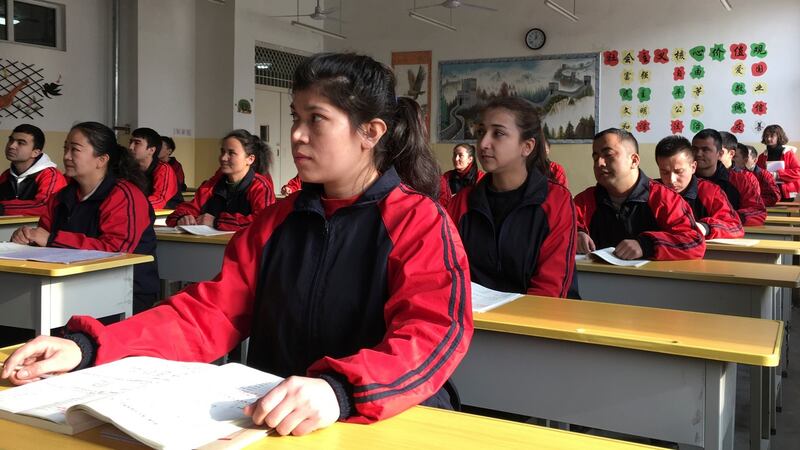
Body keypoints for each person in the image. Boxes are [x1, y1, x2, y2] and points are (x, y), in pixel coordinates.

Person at [2, 53, 472, 437]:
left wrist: (340, 391)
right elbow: (209, 314)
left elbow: (432, 336)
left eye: (317, 120)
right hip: (278, 423)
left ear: (370, 133)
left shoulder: (418, 221)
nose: (297, 135)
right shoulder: (277, 223)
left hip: (384, 419)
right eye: (295, 117)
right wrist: (88, 346)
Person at [10, 122, 159, 313]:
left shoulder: (124, 195)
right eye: (65, 148)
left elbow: (116, 250)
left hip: (122, 294)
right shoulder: (61, 197)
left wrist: (51, 239)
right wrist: (25, 238)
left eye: (75, 150)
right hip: (69, 286)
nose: (66, 156)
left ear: (101, 159)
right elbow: (43, 236)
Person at [447, 97, 577, 298]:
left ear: (527, 146)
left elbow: (550, 289)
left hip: (536, 322)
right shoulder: (461, 203)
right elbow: (446, 272)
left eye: (498, 133)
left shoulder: (555, 201)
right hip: (472, 321)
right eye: (481, 132)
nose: (483, 143)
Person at [573, 128, 704, 260]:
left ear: (634, 160)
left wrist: (646, 245)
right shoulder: (584, 201)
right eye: (595, 158)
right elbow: (564, 226)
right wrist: (576, 234)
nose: (599, 163)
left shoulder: (663, 198)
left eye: (608, 155)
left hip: (650, 279)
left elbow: (694, 242)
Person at [166, 130, 275, 230]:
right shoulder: (212, 185)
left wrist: (217, 221)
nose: (223, 158)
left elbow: (264, 222)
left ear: (250, 159)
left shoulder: (260, 186)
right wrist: (182, 217)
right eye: (222, 151)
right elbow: (177, 214)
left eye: (231, 153)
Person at [655, 135, 743, 239]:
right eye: (664, 172)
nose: (671, 180)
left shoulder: (710, 192)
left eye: (679, 172)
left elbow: (735, 226)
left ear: (693, 167)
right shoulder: (653, 192)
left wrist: (705, 227)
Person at [692, 129, 766, 226]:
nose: (698, 154)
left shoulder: (740, 180)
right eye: (694, 149)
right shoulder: (683, 179)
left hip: (729, 234)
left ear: (720, 153)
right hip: (688, 235)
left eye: (705, 150)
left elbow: (757, 211)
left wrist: (726, 219)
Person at [0, 124, 67, 216]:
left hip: (41, 230)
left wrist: (3, 208)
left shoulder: (51, 175)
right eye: (11, 140)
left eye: (21, 143)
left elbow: (44, 207)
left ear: (35, 152)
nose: (12, 146)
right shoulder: (6, 175)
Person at [128, 127, 182, 209]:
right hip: (141, 211)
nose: (131, 147)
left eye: (137, 143)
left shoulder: (163, 169)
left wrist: (128, 207)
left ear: (151, 150)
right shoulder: (129, 168)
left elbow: (159, 200)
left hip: (166, 216)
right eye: (131, 142)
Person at [757, 124, 800, 199]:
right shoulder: (762, 156)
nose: (768, 138)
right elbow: (758, 174)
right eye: (766, 136)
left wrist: (777, 174)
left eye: (772, 136)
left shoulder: (788, 153)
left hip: (787, 192)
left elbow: (798, 172)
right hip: (768, 192)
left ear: (779, 137)